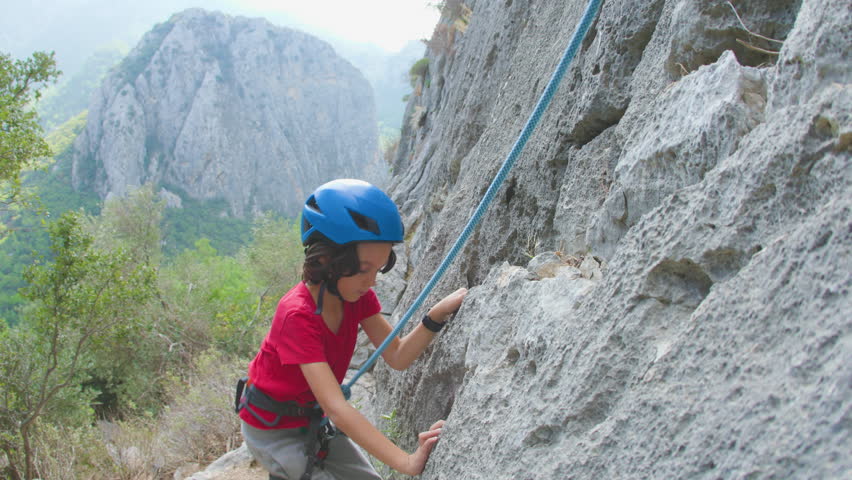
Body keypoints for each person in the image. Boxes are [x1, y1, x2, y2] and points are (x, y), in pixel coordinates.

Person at [237, 178, 468, 479]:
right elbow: (336, 409)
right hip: (273, 430)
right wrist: (407, 462)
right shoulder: (297, 315)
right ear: (325, 260)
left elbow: (396, 356)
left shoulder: (355, 296)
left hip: (310, 420)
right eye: (363, 269)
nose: (371, 282)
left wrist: (434, 317)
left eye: (378, 269)